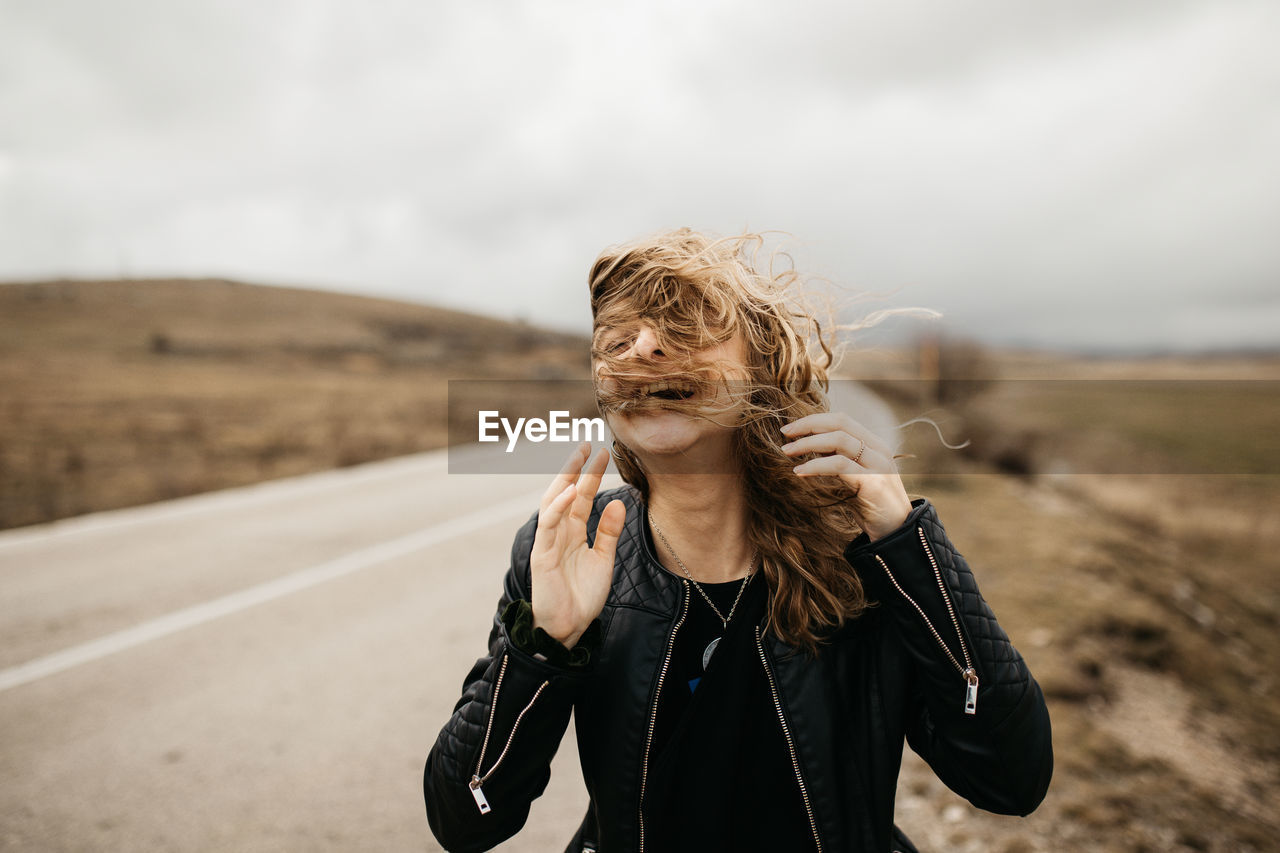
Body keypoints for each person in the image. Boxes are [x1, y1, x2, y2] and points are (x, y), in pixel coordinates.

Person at [424, 229, 1053, 853]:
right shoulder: (574, 550)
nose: (643, 349)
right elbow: (466, 818)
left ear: (761, 369)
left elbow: (1010, 778)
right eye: (617, 340)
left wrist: (908, 546)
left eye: (683, 328)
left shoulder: (860, 555)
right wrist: (544, 646)